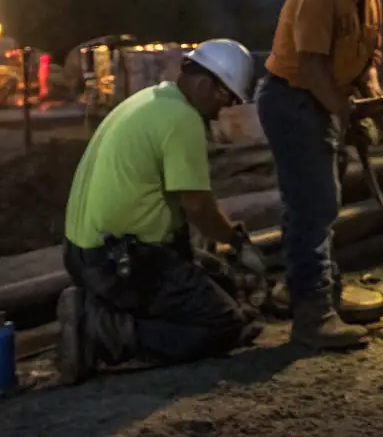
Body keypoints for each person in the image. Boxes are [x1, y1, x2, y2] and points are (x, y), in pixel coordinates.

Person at [57, 39, 268, 384]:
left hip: (88, 253)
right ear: (204, 84)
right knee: (223, 324)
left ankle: (101, 311)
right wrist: (239, 243)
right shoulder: (182, 119)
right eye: (225, 98)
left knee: (220, 277)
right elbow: (197, 205)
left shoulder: (150, 100)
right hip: (116, 263)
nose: (223, 111)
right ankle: (103, 331)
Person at [255, 0, 383, 350]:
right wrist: (345, 112)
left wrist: (375, 105)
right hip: (293, 99)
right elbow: (311, 66)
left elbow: (369, 61)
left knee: (322, 201)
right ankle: (313, 317)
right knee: (314, 204)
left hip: (325, 98)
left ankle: (307, 287)